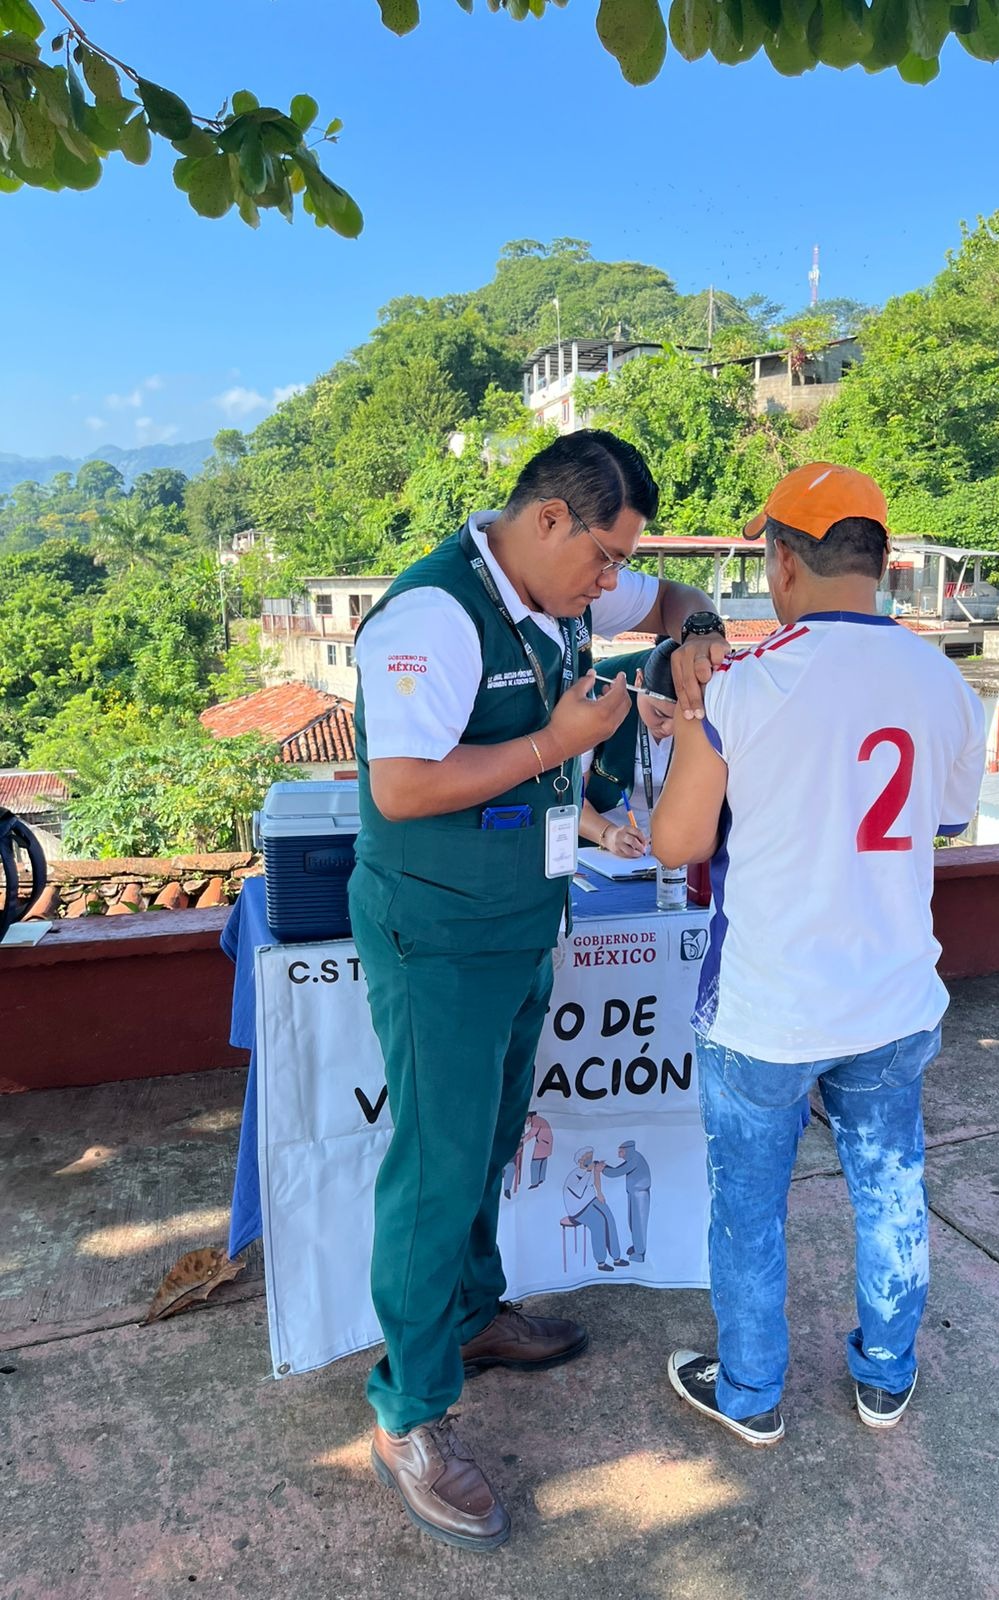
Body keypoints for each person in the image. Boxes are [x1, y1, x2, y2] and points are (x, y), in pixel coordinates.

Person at [349, 429, 728, 1551]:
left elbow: (680, 602)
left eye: (622, 566)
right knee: (434, 1171)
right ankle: (407, 1416)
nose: (613, 585)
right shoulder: (433, 614)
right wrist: (555, 740)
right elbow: (403, 786)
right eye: (605, 558)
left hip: (522, 918)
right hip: (438, 933)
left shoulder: (568, 588)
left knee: (490, 1140)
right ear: (550, 518)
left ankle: (471, 1316)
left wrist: (693, 643)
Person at [652, 462, 986, 1449]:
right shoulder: (946, 682)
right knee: (890, 1188)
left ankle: (752, 1391)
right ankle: (887, 1375)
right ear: (880, 563)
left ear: (784, 563)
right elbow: (946, 820)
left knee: (749, 1208)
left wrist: (691, 735)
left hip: (767, 1009)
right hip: (891, 1000)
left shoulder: (743, 685)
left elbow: (676, 842)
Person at [579, 638, 678, 860]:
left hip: (674, 848)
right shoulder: (597, 696)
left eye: (682, 719)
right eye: (659, 714)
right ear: (639, 680)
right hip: (599, 847)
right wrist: (608, 834)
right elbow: (567, 797)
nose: (669, 728)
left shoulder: (714, 708)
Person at [561, 1147, 626, 1270]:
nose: (590, 1158)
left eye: (591, 1155)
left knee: (609, 1218)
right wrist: (589, 1171)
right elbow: (578, 1191)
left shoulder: (589, 1171)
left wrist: (599, 1192)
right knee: (598, 1223)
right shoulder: (574, 1175)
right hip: (578, 1209)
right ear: (580, 1160)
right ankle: (601, 1262)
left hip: (591, 1201)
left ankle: (616, 1258)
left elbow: (595, 1181)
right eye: (587, 1156)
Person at [602, 1138, 652, 1262]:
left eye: (621, 1151)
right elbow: (618, 1169)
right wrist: (605, 1167)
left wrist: (603, 1169)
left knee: (638, 1224)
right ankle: (637, 1246)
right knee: (633, 1222)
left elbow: (617, 1172)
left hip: (639, 1194)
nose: (619, 1154)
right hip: (634, 1193)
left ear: (628, 1150)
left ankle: (640, 1253)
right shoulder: (633, 1158)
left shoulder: (634, 1159)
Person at [520, 1110, 553, 1189]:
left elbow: (531, 1134)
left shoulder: (536, 1121)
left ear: (529, 1116)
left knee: (535, 1162)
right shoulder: (538, 1119)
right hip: (547, 1142)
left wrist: (522, 1141)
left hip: (543, 1143)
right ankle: (541, 1178)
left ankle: (535, 1182)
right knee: (543, 1160)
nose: (525, 1122)